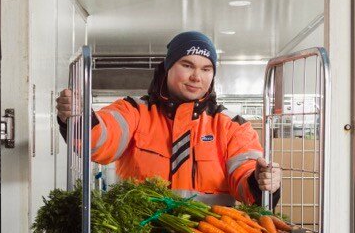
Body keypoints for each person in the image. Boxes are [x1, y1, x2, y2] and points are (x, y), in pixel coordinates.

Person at [57, 31, 281, 205]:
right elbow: (101, 140)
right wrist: (79, 118)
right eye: (187, 65)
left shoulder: (232, 126)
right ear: (167, 68)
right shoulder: (135, 111)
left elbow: (244, 180)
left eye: (206, 69)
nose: (196, 77)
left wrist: (261, 181)